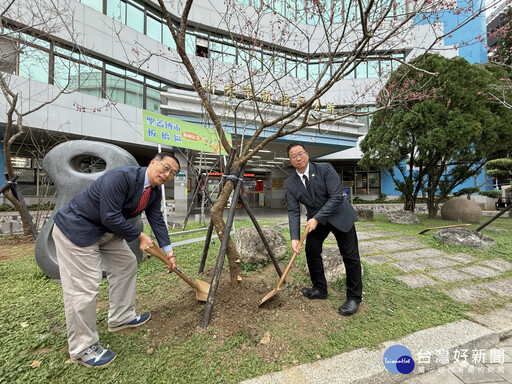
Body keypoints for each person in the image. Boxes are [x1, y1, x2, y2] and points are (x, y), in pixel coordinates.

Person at [52, 151, 180, 367]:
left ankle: (121, 317)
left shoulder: (154, 192)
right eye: (166, 167)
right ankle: (83, 348)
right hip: (78, 231)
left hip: (108, 233)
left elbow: (157, 220)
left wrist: (169, 252)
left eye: (173, 173)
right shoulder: (120, 177)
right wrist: (139, 236)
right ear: (152, 162)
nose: (167, 174)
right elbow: (109, 215)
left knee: (126, 264)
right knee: (84, 288)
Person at [285, 143, 362, 316]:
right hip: (317, 221)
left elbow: (336, 197)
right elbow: (293, 210)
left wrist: (316, 218)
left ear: (307, 154)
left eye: (301, 153)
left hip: (339, 216)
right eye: (294, 156)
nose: (299, 158)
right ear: (290, 161)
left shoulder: (325, 169)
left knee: (350, 256)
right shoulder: (290, 183)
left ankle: (354, 297)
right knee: (311, 251)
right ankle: (320, 289)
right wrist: (294, 237)